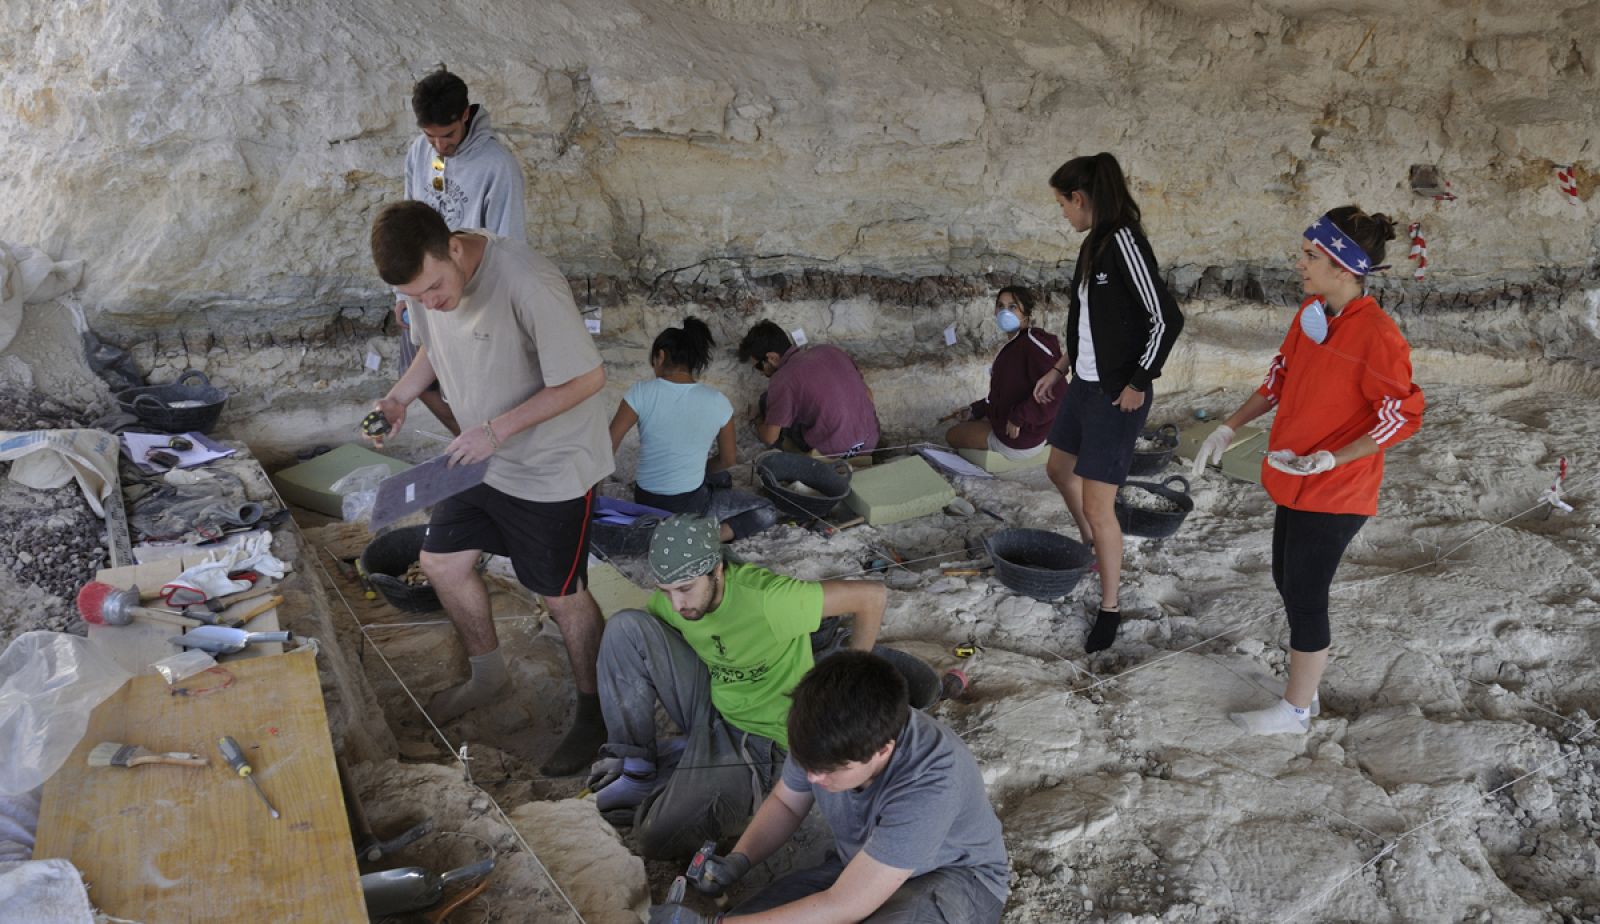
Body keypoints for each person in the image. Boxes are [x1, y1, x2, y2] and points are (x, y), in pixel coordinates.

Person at [367, 200, 611, 776]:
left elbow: (587, 378)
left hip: (550, 469)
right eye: (415, 296)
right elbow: (432, 344)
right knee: (442, 563)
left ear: (453, 247)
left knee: (560, 594)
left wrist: (495, 431)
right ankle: (488, 674)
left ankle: (594, 711)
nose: (429, 302)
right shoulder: (427, 288)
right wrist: (399, 397)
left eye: (433, 287)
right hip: (480, 459)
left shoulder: (527, 280)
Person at [1194, 206, 1423, 735]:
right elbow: (1279, 378)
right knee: (1285, 578)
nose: (1300, 262)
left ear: (1344, 266)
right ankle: (1308, 694)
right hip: (1295, 477)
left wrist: (1334, 458)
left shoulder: (1380, 338)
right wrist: (1228, 426)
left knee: (1304, 591)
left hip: (1337, 487)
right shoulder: (1313, 313)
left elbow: (1402, 417)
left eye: (1310, 255)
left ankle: (1295, 711)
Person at [590, 514, 886, 860]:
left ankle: (696, 773)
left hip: (761, 741)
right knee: (625, 626)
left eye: (685, 588)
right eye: (666, 591)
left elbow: (871, 596)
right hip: (711, 702)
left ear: (717, 571)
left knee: (658, 837)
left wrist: (848, 685)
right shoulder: (677, 603)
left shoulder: (770, 600)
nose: (677, 605)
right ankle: (636, 768)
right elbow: (643, 645)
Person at [649, 650, 1009, 924]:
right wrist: (739, 861)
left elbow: (844, 904)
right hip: (861, 863)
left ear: (882, 750)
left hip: (955, 878)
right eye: (806, 765)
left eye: (825, 772)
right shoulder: (819, 732)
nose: (811, 779)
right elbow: (788, 804)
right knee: (754, 915)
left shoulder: (932, 782)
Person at [1032, 153, 1185, 653]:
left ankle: (1110, 606)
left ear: (1081, 199)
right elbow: (1086, 321)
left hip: (1116, 395)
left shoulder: (1123, 241)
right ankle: (1096, 545)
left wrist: (1139, 380)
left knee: (1101, 505)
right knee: (1058, 469)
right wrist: (1061, 368)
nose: (1063, 215)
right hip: (1085, 385)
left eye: (1062, 204)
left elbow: (1165, 319)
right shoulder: (1093, 244)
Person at [393, 66, 528, 437]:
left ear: (466, 115)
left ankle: (484, 447)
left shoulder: (497, 166)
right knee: (417, 379)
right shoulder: (420, 153)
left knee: (473, 390)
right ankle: (471, 443)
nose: (440, 146)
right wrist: (404, 294)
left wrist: (491, 311)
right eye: (430, 136)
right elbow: (406, 221)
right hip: (425, 293)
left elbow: (508, 243)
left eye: (448, 135)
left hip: (471, 296)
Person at [609, 318, 775, 542]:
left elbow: (607, 446)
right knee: (766, 509)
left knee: (722, 478)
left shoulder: (640, 392)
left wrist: (596, 494)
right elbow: (728, 459)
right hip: (690, 505)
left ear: (660, 356)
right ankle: (707, 536)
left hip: (646, 499)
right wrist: (702, 467)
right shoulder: (718, 401)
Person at [945, 285, 1063, 460]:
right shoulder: (1016, 344)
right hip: (1027, 430)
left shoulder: (1032, 344)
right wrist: (976, 409)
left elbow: (1058, 391)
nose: (1004, 312)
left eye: (1012, 307)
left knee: (952, 435)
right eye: (1000, 306)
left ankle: (999, 446)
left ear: (1026, 314)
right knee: (975, 421)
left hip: (1021, 438)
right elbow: (1006, 393)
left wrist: (1018, 417)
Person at [737, 321, 879, 458]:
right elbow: (868, 395)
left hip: (834, 454)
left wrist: (758, 422)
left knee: (765, 400)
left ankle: (799, 457)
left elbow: (769, 437)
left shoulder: (782, 379)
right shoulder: (830, 350)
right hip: (870, 443)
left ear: (772, 357)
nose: (761, 373)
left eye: (758, 367)